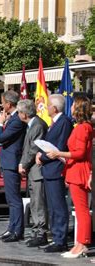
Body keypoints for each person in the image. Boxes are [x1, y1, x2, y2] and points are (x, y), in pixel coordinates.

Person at [45, 96, 92, 258]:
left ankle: (83, 243)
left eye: (73, 105)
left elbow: (79, 152)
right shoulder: (80, 127)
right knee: (79, 210)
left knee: (81, 209)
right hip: (74, 169)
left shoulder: (82, 128)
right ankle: (79, 243)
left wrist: (58, 153)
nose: (70, 108)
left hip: (79, 170)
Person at [35, 94, 73, 253]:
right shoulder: (55, 123)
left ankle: (60, 239)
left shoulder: (63, 122)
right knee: (52, 206)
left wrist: (42, 156)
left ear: (55, 108)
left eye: (48, 104)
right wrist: (39, 153)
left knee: (58, 206)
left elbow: (58, 146)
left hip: (56, 168)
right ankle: (56, 236)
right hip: (50, 169)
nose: (46, 107)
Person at [0, 91, 27, 243]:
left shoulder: (16, 120)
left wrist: (0, 123)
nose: (2, 106)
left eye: (2, 102)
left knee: (14, 198)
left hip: (12, 162)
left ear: (8, 104)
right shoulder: (12, 118)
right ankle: (11, 228)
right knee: (10, 198)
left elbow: (1, 137)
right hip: (8, 161)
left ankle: (17, 230)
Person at [17, 99, 49, 247]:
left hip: (37, 170)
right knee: (35, 202)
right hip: (32, 170)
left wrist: (23, 164)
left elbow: (33, 149)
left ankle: (41, 232)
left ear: (24, 114)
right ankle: (36, 230)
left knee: (39, 202)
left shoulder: (37, 125)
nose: (18, 115)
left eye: (19, 112)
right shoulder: (31, 125)